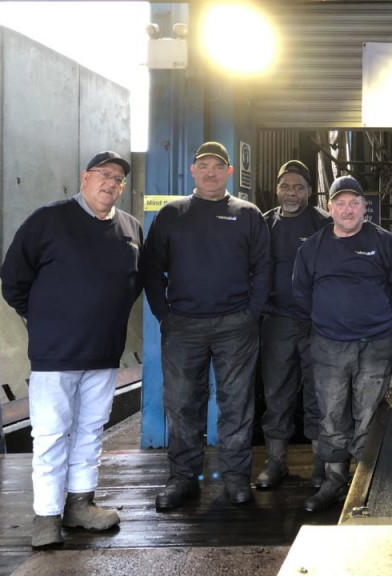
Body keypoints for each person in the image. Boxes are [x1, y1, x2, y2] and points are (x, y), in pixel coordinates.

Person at [1, 151, 142, 548]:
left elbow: (134, 285)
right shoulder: (48, 220)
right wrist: (46, 319)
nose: (111, 183)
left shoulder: (131, 228)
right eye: (104, 175)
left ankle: (80, 504)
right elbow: (14, 281)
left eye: (118, 179)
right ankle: (46, 515)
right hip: (55, 354)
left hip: (103, 353)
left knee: (90, 432)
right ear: (84, 177)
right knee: (50, 434)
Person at [141, 141, 273, 511]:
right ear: (193, 170)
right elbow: (151, 267)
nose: (211, 172)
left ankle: (235, 479)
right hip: (183, 325)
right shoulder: (172, 214)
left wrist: (252, 313)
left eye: (218, 166)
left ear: (229, 172)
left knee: (237, 404)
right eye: (204, 165)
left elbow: (264, 268)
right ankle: (183, 479)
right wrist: (164, 314)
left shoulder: (248, 214)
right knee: (182, 403)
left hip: (236, 325)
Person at [292, 175, 392, 512]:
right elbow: (300, 293)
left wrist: (379, 316)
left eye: (354, 203)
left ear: (364, 207)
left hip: (374, 344)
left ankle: (367, 480)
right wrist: (327, 319)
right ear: (329, 208)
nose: (348, 209)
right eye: (341, 203)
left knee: (370, 411)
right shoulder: (312, 247)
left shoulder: (384, 242)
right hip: (328, 344)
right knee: (331, 412)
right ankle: (334, 479)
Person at [255, 160, 330, 490]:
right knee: (276, 394)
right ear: (277, 189)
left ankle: (320, 466)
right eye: (285, 185)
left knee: (319, 395)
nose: (291, 192)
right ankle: (276, 463)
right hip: (277, 323)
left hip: (317, 324)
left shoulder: (324, 224)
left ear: (310, 192)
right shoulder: (263, 224)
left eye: (299, 187)